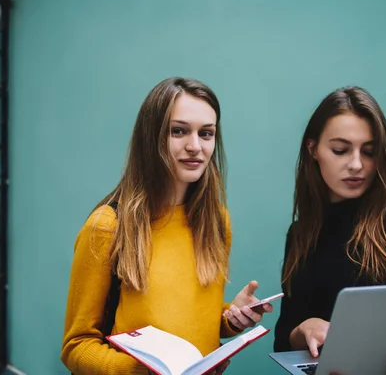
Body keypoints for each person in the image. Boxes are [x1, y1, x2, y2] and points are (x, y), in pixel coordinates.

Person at [61, 77, 273, 375]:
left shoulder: (216, 221)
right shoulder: (108, 226)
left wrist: (229, 318)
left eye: (207, 133)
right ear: (152, 137)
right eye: (178, 131)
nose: (195, 146)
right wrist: (138, 371)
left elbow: (190, 321)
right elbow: (76, 345)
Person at [273, 86, 386, 375]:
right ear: (312, 149)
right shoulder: (301, 233)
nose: (356, 165)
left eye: (369, 152)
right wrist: (304, 329)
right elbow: (283, 340)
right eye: (340, 150)